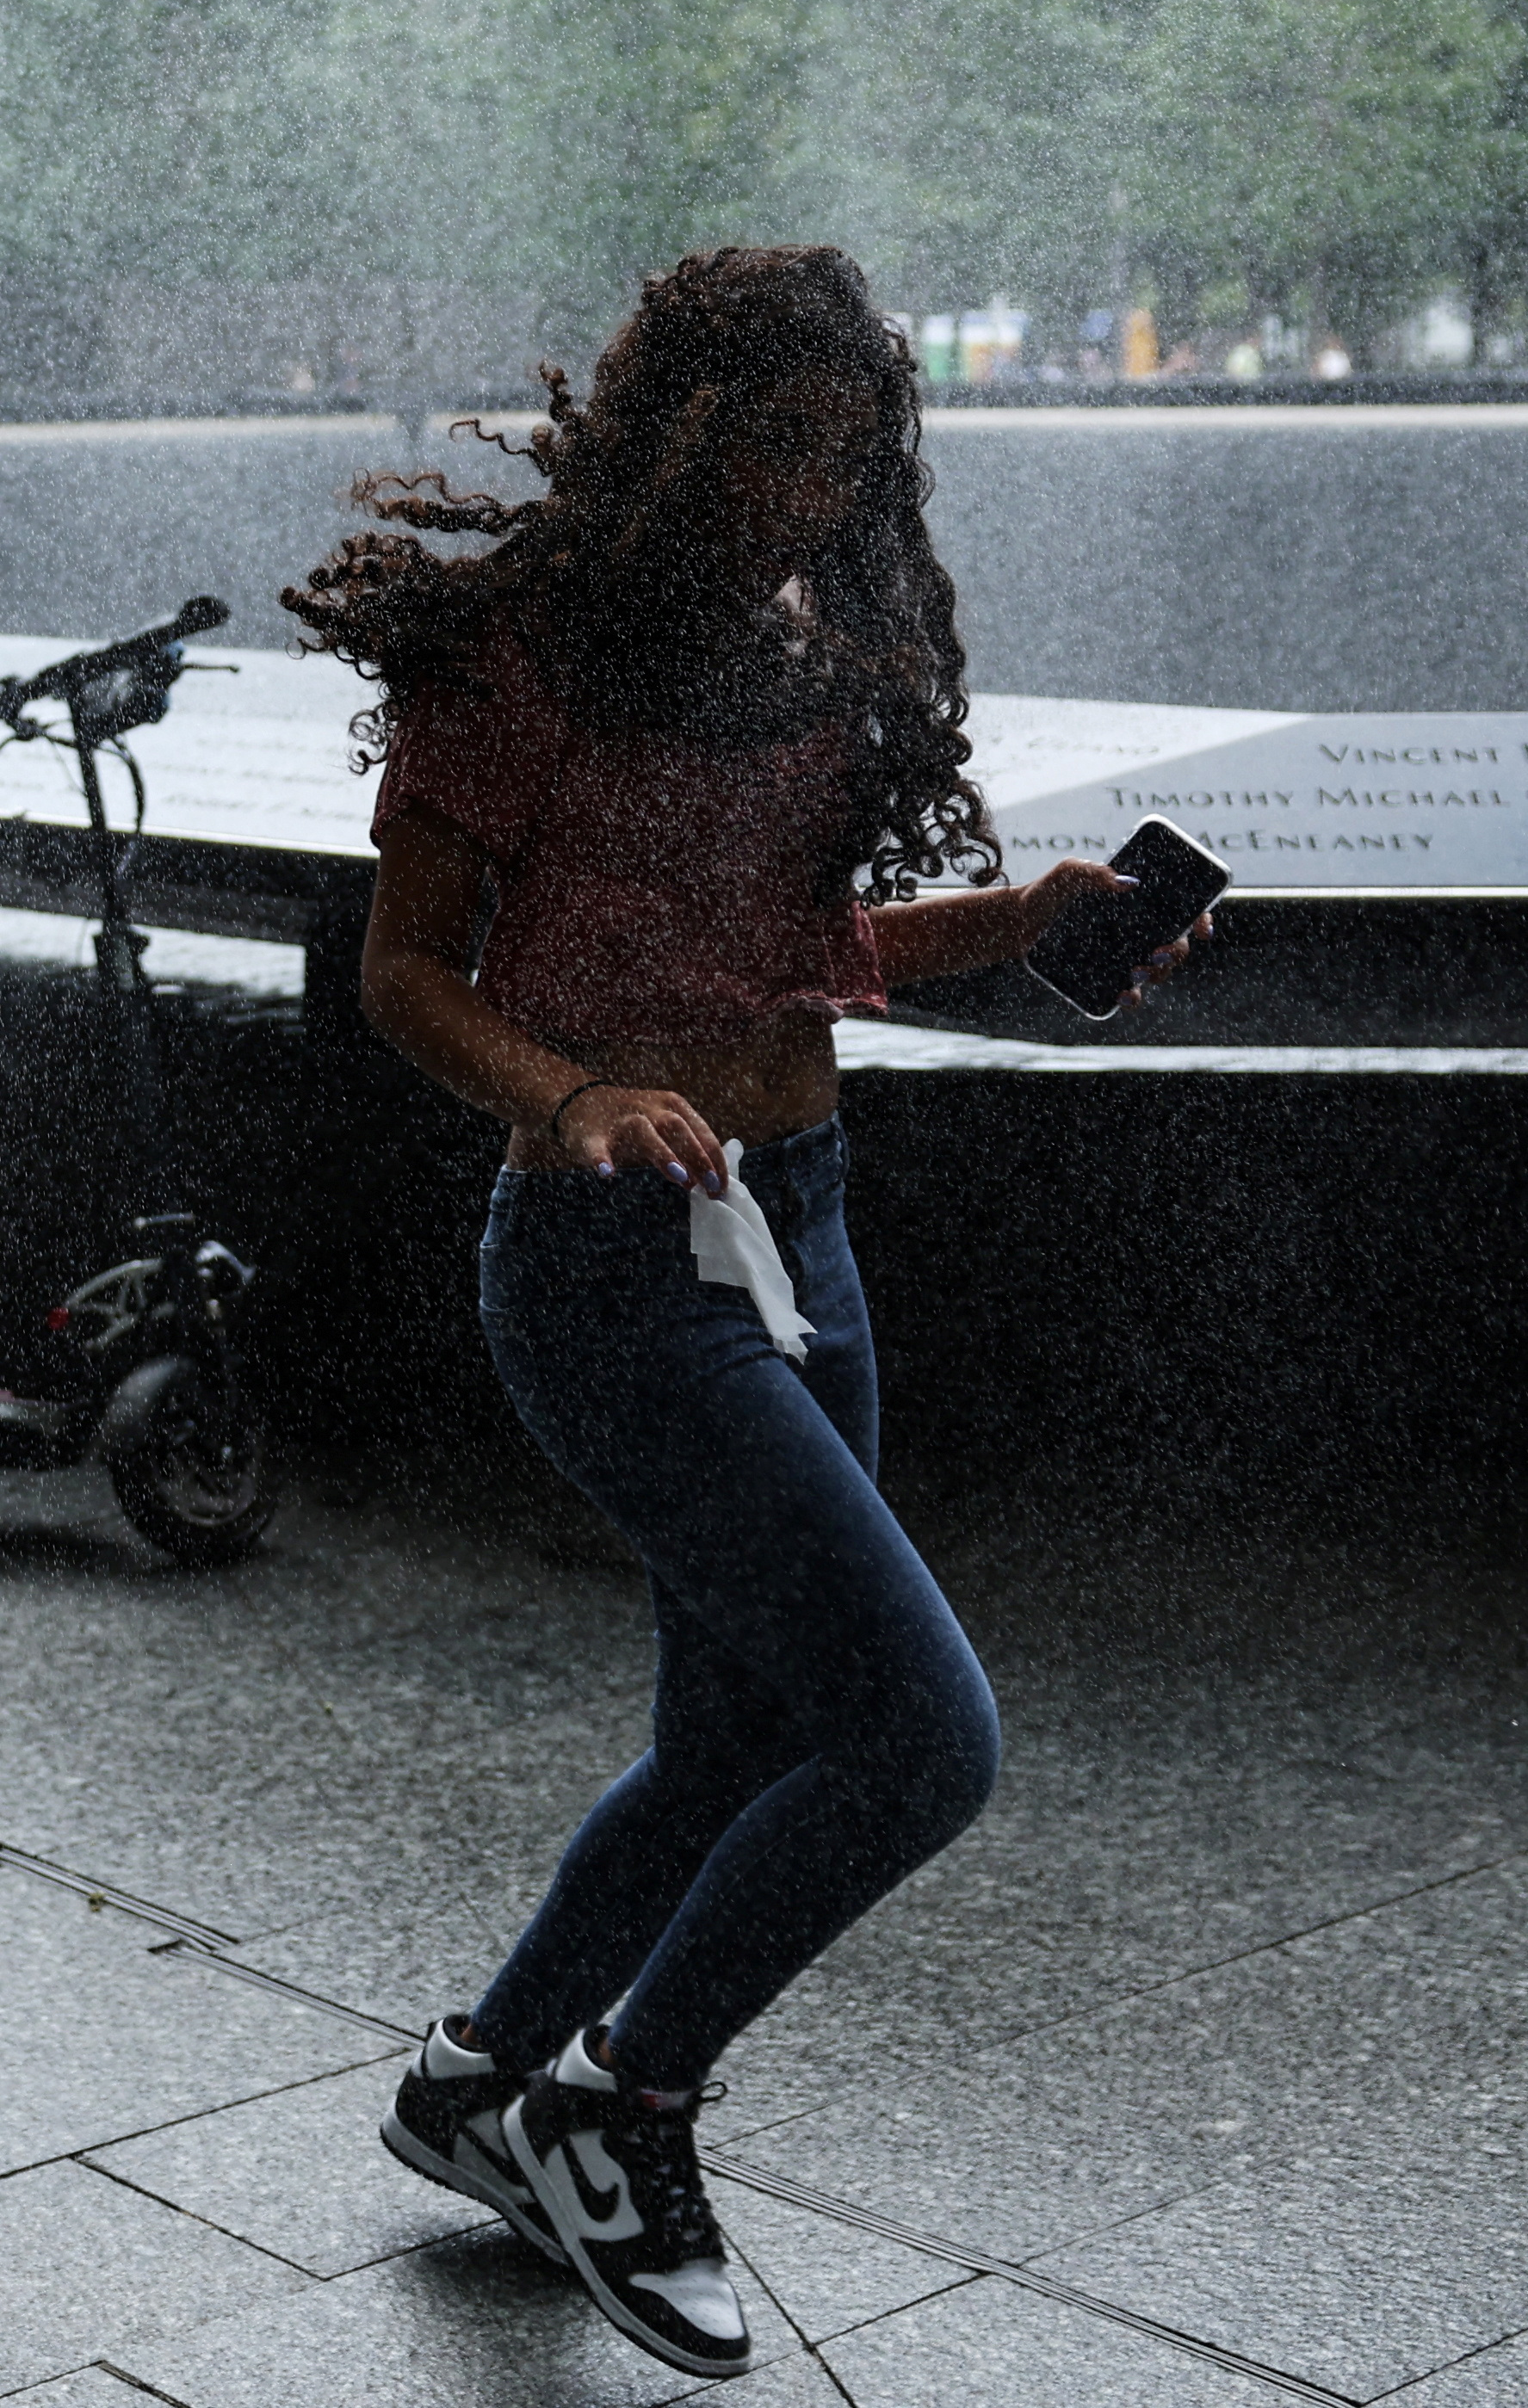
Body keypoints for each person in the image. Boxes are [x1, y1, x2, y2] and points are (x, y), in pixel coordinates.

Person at [287, 246, 1207, 2383]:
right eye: (769, 442)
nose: (807, 489)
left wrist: (1030, 920)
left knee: (740, 1735)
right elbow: (405, 972)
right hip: (611, 1258)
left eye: (843, 450)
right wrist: (573, 1092)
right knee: (917, 1736)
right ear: (670, 430)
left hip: (801, 1223)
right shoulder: (521, 649)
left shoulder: (807, 633)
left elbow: (794, 946)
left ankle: (477, 2080)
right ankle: (620, 2105)